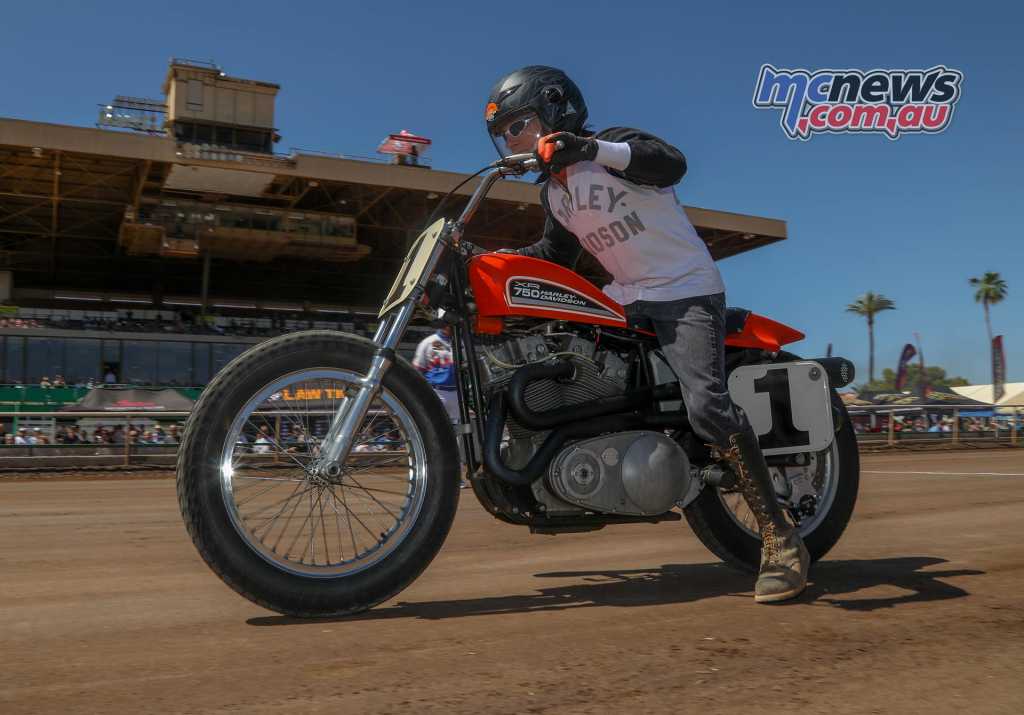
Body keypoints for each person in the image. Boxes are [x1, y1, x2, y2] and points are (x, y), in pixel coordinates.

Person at [479, 65, 808, 603]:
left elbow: (671, 164)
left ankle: (781, 538)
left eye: (520, 125)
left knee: (706, 404)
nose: (511, 140)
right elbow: (553, 257)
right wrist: (489, 261)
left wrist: (587, 149)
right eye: (504, 133)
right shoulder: (556, 197)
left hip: (686, 293)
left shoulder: (611, 146)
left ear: (555, 111)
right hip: (627, 300)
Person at [412, 322, 467, 488]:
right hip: (436, 392)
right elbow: (416, 371)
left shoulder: (460, 342)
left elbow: (464, 367)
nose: (451, 327)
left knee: (457, 438)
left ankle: (456, 476)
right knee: (432, 433)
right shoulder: (428, 342)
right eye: (449, 324)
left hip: (456, 393)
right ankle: (425, 474)